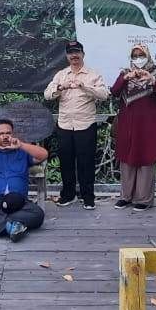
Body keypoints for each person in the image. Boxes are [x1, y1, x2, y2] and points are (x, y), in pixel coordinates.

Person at [43, 40, 109, 210]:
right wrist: (60, 87)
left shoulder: (93, 74)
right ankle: (68, 195)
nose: (74, 56)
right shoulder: (61, 75)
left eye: (77, 52)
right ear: (67, 56)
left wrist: (85, 86)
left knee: (86, 163)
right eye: (71, 53)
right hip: (65, 125)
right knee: (66, 163)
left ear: (83, 54)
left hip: (86, 125)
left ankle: (88, 198)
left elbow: (104, 94)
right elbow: (47, 95)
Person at [110, 43, 156, 210]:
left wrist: (153, 80)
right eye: (135, 55)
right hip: (127, 126)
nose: (138, 59)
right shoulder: (125, 73)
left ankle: (143, 200)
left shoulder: (155, 73)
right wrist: (125, 79)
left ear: (148, 56)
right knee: (127, 159)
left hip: (147, 127)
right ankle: (126, 197)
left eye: (141, 55)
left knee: (146, 159)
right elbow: (114, 92)